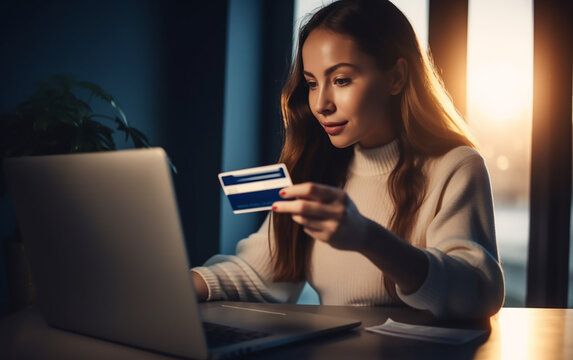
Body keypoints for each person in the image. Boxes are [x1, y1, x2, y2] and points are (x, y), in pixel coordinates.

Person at [192, 0, 505, 320]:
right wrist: (176, 285)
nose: (321, 103)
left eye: (341, 80)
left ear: (396, 78)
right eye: (313, 83)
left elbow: (478, 293)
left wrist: (368, 238)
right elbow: (259, 273)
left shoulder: (456, 166)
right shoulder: (314, 167)